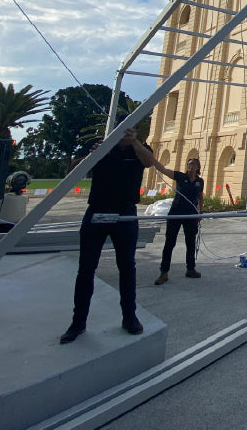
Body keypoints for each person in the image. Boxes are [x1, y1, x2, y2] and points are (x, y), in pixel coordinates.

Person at [60, 126, 163, 344]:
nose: (126, 133)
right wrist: (92, 155)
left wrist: (135, 142)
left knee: (127, 266)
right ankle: (78, 322)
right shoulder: (102, 147)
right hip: (97, 209)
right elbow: (74, 171)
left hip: (124, 211)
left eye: (131, 129)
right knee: (86, 268)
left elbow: (149, 162)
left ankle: (129, 316)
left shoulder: (141, 149)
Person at [154, 157, 205, 285]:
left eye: (193, 164)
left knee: (190, 243)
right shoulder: (181, 177)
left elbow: (200, 197)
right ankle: (164, 272)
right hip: (176, 213)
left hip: (191, 215)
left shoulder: (200, 181)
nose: (191, 166)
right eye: (189, 164)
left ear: (198, 167)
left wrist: (200, 212)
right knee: (170, 243)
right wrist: (153, 161)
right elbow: (165, 171)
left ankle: (190, 268)